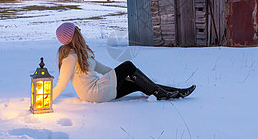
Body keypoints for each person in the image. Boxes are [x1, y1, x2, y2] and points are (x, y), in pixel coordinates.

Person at [52, 22, 196, 103]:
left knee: (137, 83)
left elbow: (104, 69)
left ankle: (176, 92)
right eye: (77, 30)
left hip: (101, 90)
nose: (80, 31)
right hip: (94, 93)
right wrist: (46, 100)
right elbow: (62, 83)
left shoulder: (83, 54)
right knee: (127, 65)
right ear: (74, 35)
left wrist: (122, 76)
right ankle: (162, 93)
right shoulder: (70, 57)